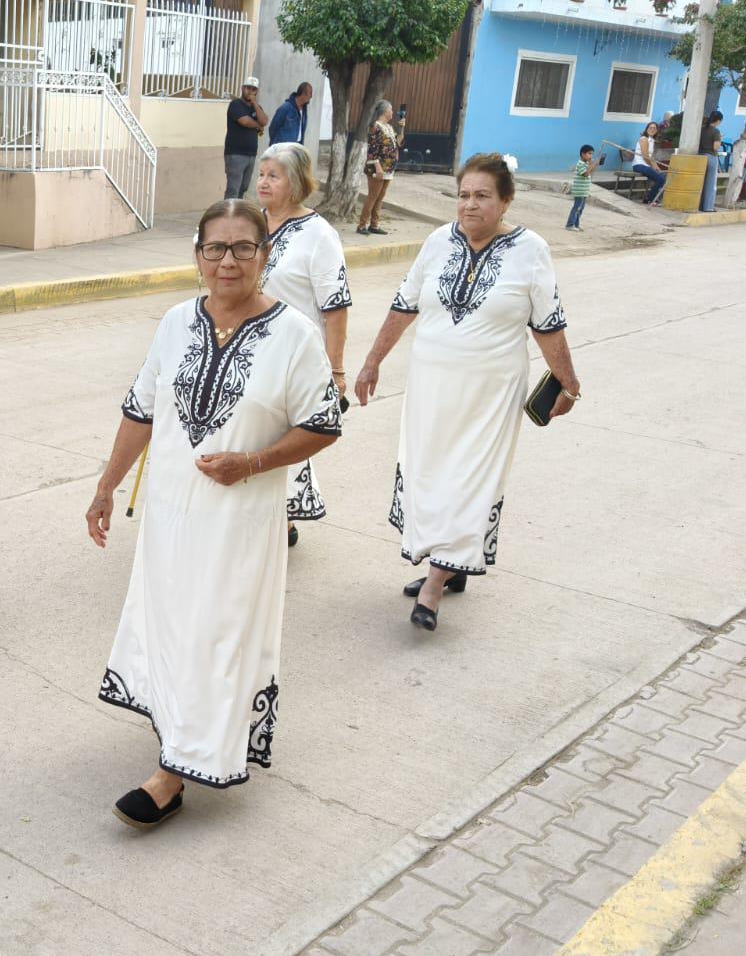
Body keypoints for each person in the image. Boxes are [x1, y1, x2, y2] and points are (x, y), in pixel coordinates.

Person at [88, 199, 341, 827]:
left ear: (266, 255)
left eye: (243, 248)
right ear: (197, 256)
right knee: (175, 623)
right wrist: (106, 486)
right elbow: (141, 410)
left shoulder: (294, 335)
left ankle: (174, 773)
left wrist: (252, 463)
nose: (227, 261)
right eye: (214, 249)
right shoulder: (176, 322)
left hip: (240, 521)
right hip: (171, 515)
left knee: (218, 629)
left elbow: (323, 425)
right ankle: (179, 731)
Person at [354, 153, 583, 631]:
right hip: (431, 386)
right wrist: (373, 361)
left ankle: (435, 584)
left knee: (469, 478)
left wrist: (568, 380)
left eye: (482, 196)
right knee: (430, 473)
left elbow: (548, 323)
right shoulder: (438, 242)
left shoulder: (531, 249)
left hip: (492, 391)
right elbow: (404, 305)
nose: (469, 205)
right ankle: (449, 562)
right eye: (463, 195)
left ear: (505, 202)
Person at [255, 142, 350, 547]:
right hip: (248, 349)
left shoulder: (319, 235)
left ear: (295, 183)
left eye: (273, 176)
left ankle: (282, 518)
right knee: (250, 431)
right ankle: (264, 514)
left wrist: (336, 369)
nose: (262, 182)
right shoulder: (250, 223)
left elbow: (336, 305)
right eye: (261, 174)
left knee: (283, 435)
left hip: (294, 355)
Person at [357, 100, 404, 235]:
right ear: (385, 111)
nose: (393, 113)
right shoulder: (375, 127)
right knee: (373, 196)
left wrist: (402, 128)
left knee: (380, 197)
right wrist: (378, 167)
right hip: (377, 168)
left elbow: (398, 142)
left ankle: (374, 225)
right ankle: (361, 225)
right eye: (391, 110)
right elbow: (372, 150)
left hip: (388, 167)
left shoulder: (388, 127)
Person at [224, 76, 268, 199]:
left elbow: (264, 120)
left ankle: (237, 214)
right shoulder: (235, 104)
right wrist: (258, 125)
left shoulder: (256, 107)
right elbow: (245, 121)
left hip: (251, 154)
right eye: (248, 88)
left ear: (257, 91)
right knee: (233, 189)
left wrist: (254, 103)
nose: (250, 91)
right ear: (242, 88)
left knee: (243, 188)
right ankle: (227, 216)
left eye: (253, 89)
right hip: (235, 154)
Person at [633, 121, 669, 206]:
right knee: (661, 179)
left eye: (654, 128)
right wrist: (653, 166)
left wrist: (657, 167)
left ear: (657, 130)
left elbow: (651, 157)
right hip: (639, 165)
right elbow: (645, 156)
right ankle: (651, 199)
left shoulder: (651, 140)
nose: (652, 129)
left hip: (645, 165)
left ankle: (648, 198)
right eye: (650, 128)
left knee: (662, 177)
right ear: (647, 129)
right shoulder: (644, 139)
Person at [268, 81, 312, 147]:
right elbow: (273, 128)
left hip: (296, 148)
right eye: (310, 94)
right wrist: (276, 144)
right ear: (303, 94)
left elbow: (302, 131)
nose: (311, 96)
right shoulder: (286, 107)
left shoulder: (304, 110)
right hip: (282, 149)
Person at [566, 143, 599, 231]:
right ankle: (570, 224)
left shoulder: (587, 164)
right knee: (577, 208)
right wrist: (592, 165)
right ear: (583, 154)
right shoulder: (580, 164)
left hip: (584, 191)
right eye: (589, 154)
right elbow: (585, 174)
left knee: (580, 209)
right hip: (579, 191)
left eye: (592, 154)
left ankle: (576, 225)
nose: (591, 156)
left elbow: (590, 173)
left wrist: (595, 165)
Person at [699, 109, 724, 213]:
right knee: (711, 184)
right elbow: (715, 147)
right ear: (718, 121)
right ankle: (708, 207)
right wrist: (720, 139)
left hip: (700, 157)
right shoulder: (716, 131)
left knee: (701, 183)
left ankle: (700, 205)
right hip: (711, 157)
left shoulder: (702, 129)